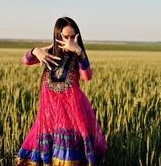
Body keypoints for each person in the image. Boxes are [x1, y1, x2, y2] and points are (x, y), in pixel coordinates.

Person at [14, 16, 107, 166]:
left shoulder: (77, 55)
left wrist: (79, 51)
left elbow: (87, 76)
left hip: (72, 112)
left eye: (72, 37)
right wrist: (35, 51)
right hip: (49, 111)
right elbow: (25, 61)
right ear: (58, 36)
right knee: (48, 150)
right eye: (65, 37)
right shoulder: (48, 52)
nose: (69, 41)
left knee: (68, 153)